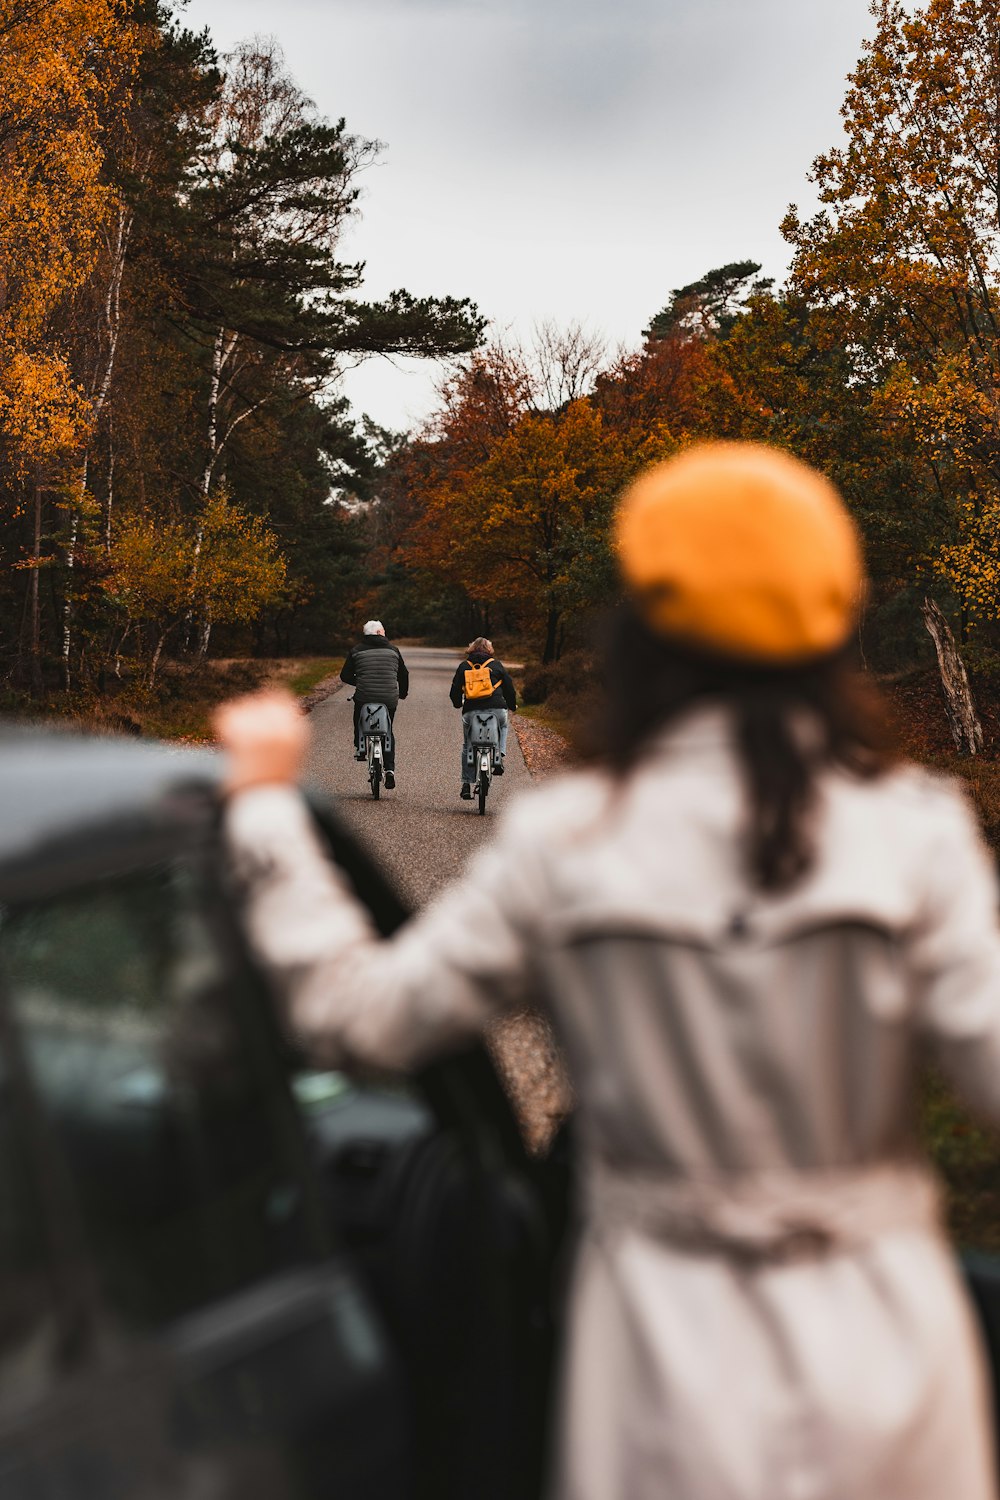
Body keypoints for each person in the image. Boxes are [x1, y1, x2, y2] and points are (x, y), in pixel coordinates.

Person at [215, 442, 1000, 1500]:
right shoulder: (916, 835)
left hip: (654, 1353)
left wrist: (266, 807)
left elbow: (358, 1021)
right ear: (831, 627)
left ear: (641, 625)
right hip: (891, 1345)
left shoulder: (572, 841)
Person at [340, 621, 408, 790]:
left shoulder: (356, 651)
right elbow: (403, 674)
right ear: (379, 632)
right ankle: (390, 770)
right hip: (389, 698)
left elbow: (344, 675)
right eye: (383, 631)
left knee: (359, 716)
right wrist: (403, 693)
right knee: (388, 730)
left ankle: (360, 747)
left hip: (365, 696)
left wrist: (359, 681)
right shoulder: (393, 650)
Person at [449, 636, 517, 799]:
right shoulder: (496, 665)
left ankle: (466, 783)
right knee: (504, 725)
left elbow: (455, 691)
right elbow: (509, 688)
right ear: (489, 650)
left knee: (468, 745)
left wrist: (459, 704)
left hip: (471, 711)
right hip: (496, 710)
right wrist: (512, 705)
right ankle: (499, 755)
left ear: (471, 648)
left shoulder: (464, 666)